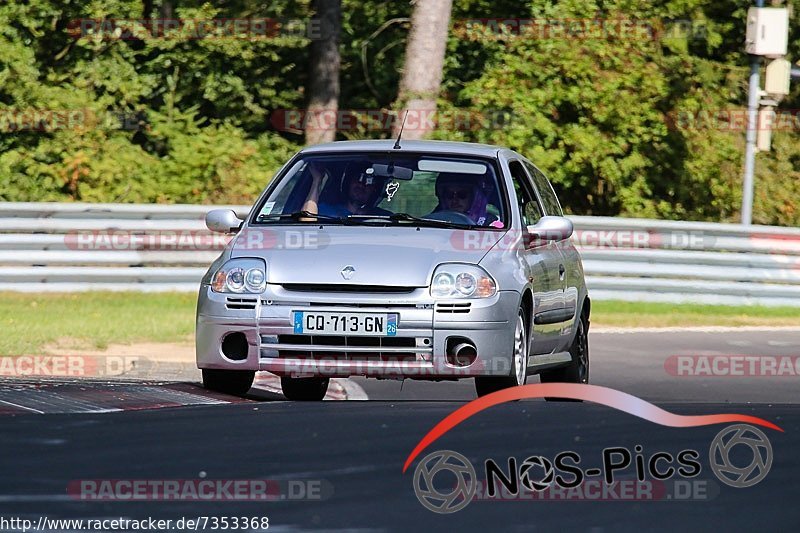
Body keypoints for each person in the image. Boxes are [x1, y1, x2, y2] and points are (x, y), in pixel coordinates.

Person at [302, 161, 389, 218]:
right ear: (348, 182)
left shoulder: (384, 217)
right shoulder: (326, 210)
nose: (362, 185)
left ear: (375, 190)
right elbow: (306, 221)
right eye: (358, 178)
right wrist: (317, 180)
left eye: (369, 182)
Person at [431, 173, 501, 226]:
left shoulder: (492, 224)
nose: (455, 200)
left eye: (462, 194)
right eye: (449, 195)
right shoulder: (431, 221)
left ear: (474, 197)